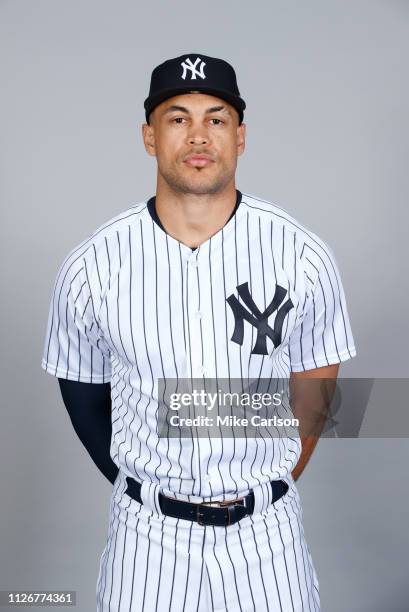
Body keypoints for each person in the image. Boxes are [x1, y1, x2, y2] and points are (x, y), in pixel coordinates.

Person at [41, 53, 357, 611]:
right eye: (177, 117)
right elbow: (84, 395)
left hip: (267, 534)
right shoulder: (93, 263)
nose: (198, 135)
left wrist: (267, 484)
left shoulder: (301, 256)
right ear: (149, 136)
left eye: (216, 118)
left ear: (240, 136)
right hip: (146, 536)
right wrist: (145, 486)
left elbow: (314, 389)